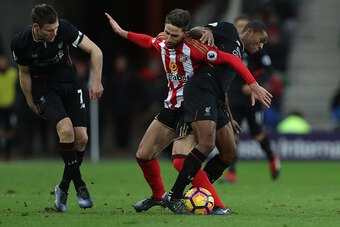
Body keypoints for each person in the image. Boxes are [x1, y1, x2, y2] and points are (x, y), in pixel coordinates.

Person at [105, 9, 272, 215]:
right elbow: (147, 41)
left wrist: (252, 85)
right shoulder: (163, 42)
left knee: (184, 158)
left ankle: (213, 202)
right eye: (166, 32)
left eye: (174, 35)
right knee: (143, 154)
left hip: (192, 105)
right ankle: (159, 196)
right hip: (171, 105)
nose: (169, 38)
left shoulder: (196, 49)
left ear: (185, 34)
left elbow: (228, 61)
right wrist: (122, 31)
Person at [162, 18, 272, 214]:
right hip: (201, 89)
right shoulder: (229, 30)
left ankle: (199, 192)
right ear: (251, 31)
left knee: (230, 152)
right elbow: (196, 29)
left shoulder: (239, 52)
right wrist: (205, 30)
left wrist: (229, 116)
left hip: (216, 99)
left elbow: (224, 88)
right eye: (261, 40)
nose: (261, 46)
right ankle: (174, 195)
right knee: (206, 143)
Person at [10, 4, 103, 212]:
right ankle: (80, 185)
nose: (55, 33)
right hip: (45, 90)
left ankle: (62, 188)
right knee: (66, 130)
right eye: (49, 30)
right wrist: (29, 100)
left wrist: (96, 80)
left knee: (82, 138)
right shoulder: (21, 43)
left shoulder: (64, 28)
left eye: (56, 28)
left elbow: (95, 51)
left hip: (70, 85)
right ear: (36, 27)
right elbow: (23, 72)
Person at [222, 15, 281, 183]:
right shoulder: (229, 45)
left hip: (251, 98)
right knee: (233, 134)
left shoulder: (257, 47)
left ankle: (272, 157)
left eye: (243, 26)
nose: (241, 29)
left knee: (257, 135)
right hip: (233, 95)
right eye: (238, 26)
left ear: (249, 29)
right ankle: (232, 173)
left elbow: (269, 70)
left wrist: (255, 85)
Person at [0, 54, 18, 161]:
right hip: (0, 108)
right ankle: (3, 153)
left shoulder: (13, 73)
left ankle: (9, 154)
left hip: (11, 107)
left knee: (10, 132)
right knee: (1, 132)